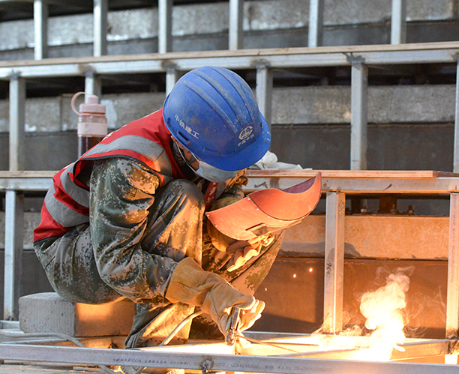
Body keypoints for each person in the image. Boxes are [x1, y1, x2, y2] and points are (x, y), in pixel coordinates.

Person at [32, 66, 283, 371]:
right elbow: (117, 264)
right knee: (184, 198)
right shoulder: (130, 164)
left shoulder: (216, 137)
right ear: (186, 147)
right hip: (75, 256)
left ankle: (214, 337)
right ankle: (156, 360)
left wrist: (230, 224)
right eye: (223, 162)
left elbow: (229, 182)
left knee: (265, 224)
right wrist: (206, 288)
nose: (233, 168)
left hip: (141, 234)